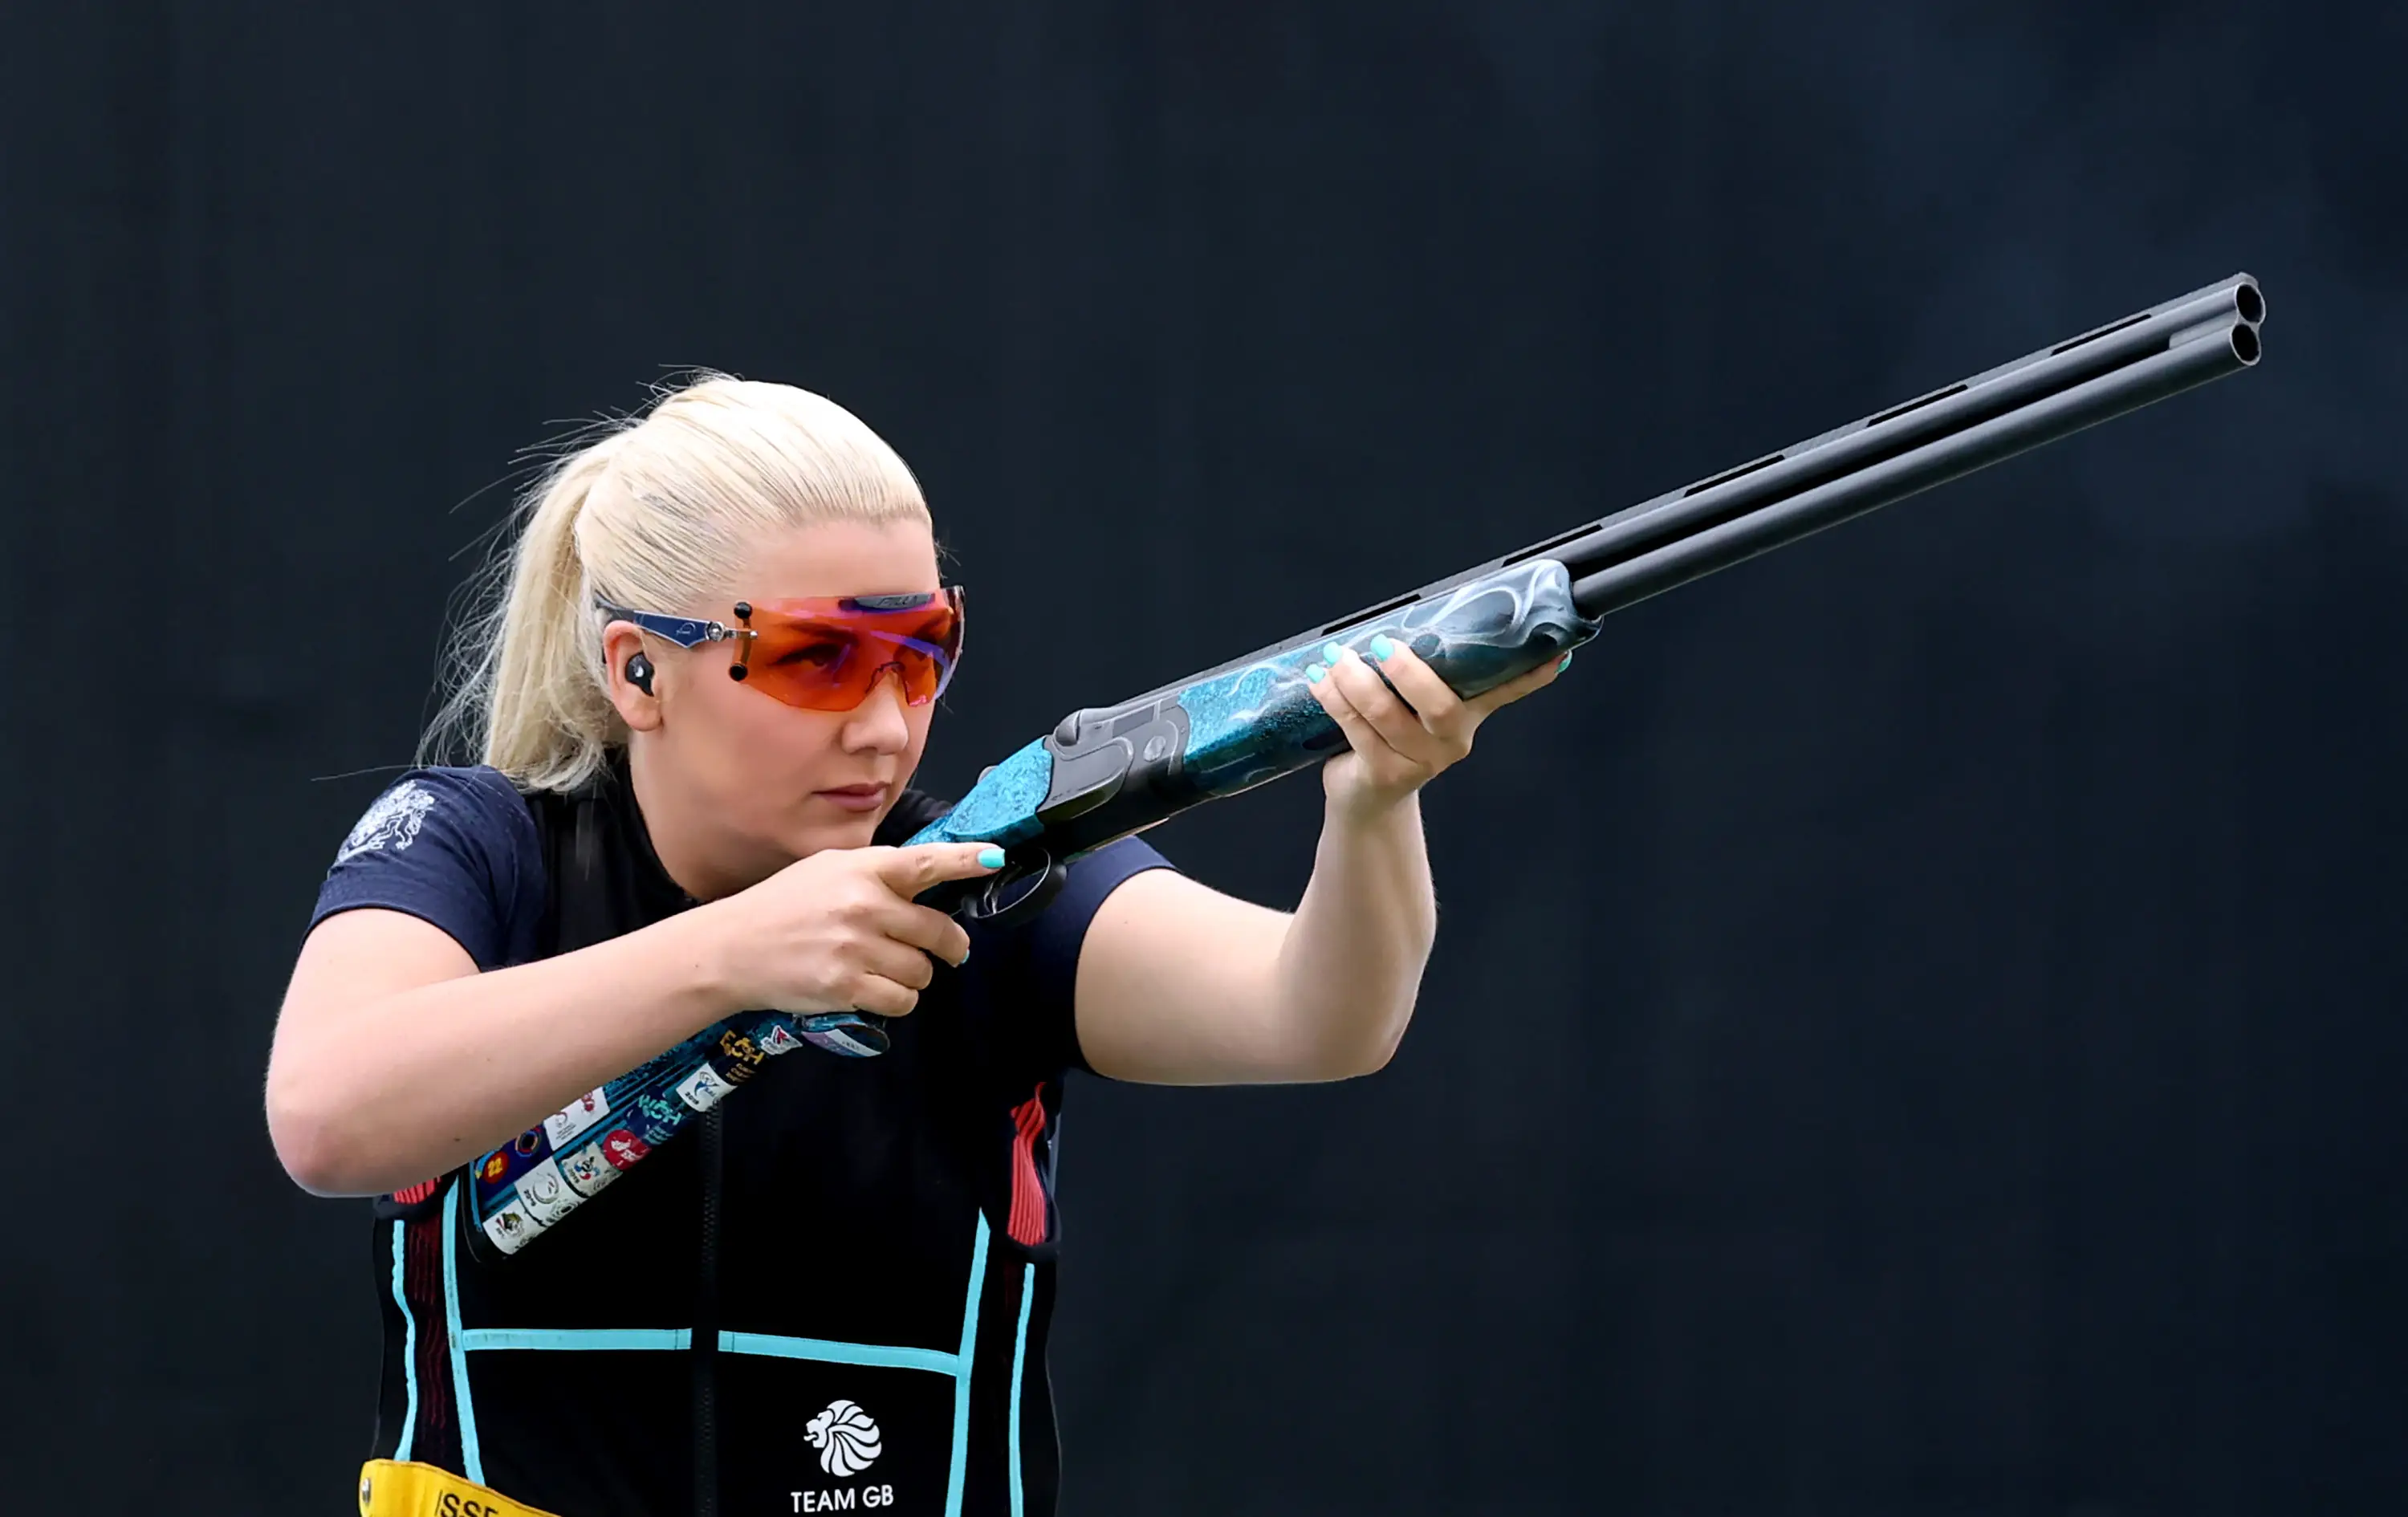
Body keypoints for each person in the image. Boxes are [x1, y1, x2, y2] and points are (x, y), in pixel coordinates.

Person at [263, 376, 1566, 1517]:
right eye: (821, 660)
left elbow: (1320, 1018)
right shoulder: (476, 846)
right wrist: (738, 953)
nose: (889, 727)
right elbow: (329, 1116)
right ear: (637, 671)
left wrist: (1376, 802)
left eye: (922, 652)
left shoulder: (988, 886)